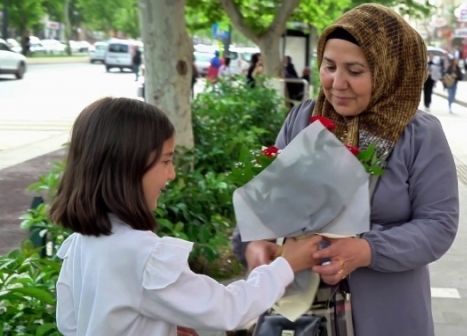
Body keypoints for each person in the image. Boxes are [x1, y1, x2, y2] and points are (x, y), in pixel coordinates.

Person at [232, 4, 459, 336]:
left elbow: (439, 224)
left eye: (354, 71)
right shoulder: (304, 118)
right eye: (329, 66)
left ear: (388, 70)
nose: (337, 82)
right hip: (297, 315)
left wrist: (366, 250)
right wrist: (255, 242)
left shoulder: (419, 135)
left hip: (385, 314)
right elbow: (267, 200)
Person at [49, 97, 323, 336]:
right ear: (128, 168)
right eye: (166, 161)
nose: (172, 174)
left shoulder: (81, 244)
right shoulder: (143, 255)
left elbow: (71, 323)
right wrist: (286, 265)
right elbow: (229, 309)